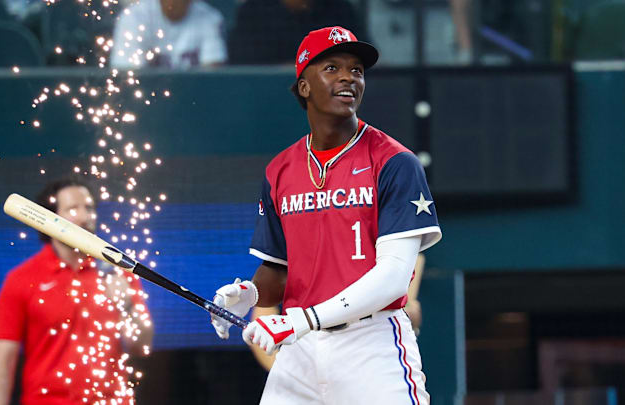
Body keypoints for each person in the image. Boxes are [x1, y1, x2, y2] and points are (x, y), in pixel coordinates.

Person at [212, 26, 441, 405]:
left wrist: (300, 320)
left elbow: (394, 278)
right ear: (304, 87)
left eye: (356, 70)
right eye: (331, 68)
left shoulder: (395, 162)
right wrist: (248, 293)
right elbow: (280, 271)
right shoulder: (279, 170)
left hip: (371, 345)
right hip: (299, 349)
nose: (348, 77)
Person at [0, 177, 154, 405]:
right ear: (50, 218)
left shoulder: (117, 272)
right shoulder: (21, 279)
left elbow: (141, 347)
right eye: (73, 209)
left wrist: (126, 305)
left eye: (89, 208)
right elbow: (3, 361)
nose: (85, 217)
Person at [250, 253, 426, 371]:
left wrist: (407, 315)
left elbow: (406, 306)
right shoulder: (291, 259)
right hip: (305, 369)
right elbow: (262, 324)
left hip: (372, 364)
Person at [228, 0, 368, 65]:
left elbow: (362, 56)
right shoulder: (253, 11)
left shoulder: (340, 9)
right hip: (267, 98)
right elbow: (243, 67)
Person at [111, 0, 227, 69]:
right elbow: (128, 76)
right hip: (148, 101)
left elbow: (212, 77)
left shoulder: (210, 18)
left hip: (194, 99)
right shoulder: (134, 17)